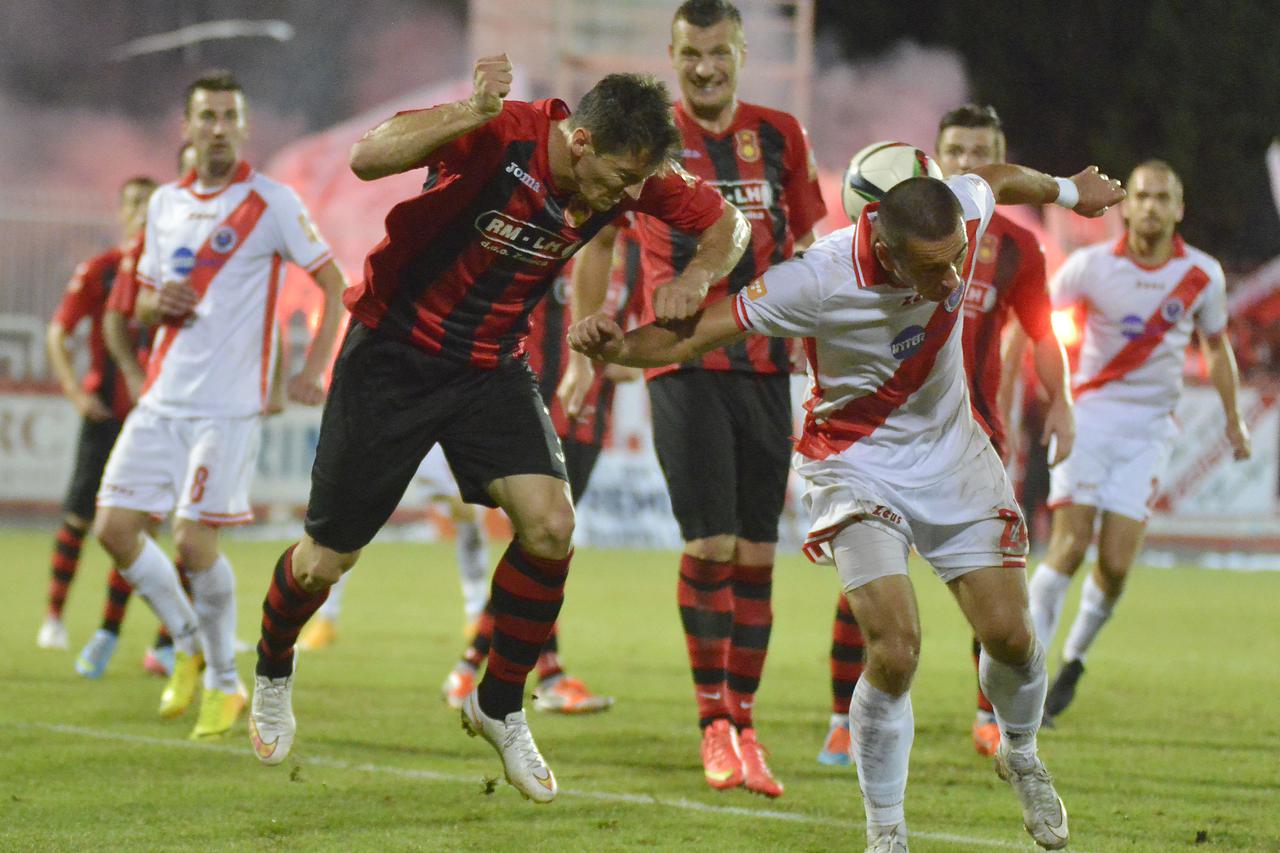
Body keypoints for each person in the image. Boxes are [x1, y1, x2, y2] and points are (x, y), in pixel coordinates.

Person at [571, 162, 1124, 850]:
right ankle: (885, 830)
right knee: (896, 648)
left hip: (952, 454)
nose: (954, 280)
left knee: (1012, 639)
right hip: (853, 463)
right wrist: (616, 346)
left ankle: (1021, 750)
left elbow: (991, 176)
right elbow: (702, 331)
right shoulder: (816, 279)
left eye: (958, 258)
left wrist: (1071, 190)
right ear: (886, 250)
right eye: (934, 267)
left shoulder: (960, 213)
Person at [246, 59, 748, 806]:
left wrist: (700, 275)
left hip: (489, 366)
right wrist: (470, 110)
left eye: (632, 185)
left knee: (551, 524)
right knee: (323, 562)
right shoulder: (501, 135)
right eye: (612, 178)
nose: (619, 198)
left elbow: (730, 224)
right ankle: (273, 663)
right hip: (392, 355)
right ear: (577, 140)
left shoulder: (633, 175)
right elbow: (367, 156)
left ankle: (501, 703)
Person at [561, 0, 825, 798]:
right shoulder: (649, 139)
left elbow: (809, 245)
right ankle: (713, 722)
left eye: (717, 52)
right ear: (671, 55)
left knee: (755, 556)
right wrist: (589, 328)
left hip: (767, 365)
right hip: (680, 364)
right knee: (709, 548)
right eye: (689, 54)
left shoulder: (780, 134)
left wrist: (823, 354)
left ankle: (746, 723)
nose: (704, 67)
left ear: (740, 51)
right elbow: (598, 242)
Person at [93, 70, 346, 740]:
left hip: (227, 408)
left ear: (244, 125)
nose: (218, 127)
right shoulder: (167, 205)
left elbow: (333, 282)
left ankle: (226, 684)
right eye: (206, 116)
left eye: (230, 115)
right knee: (114, 527)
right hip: (161, 397)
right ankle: (189, 640)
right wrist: (158, 302)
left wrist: (312, 368)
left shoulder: (272, 201)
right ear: (187, 128)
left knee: (192, 538)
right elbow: (144, 298)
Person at [818, 104, 1074, 764]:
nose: (966, 160)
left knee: (994, 582)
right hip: (887, 438)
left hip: (974, 429)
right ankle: (841, 716)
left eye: (980, 148)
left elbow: (1044, 332)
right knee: (875, 583)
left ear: (1000, 153)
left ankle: (990, 715)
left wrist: (1062, 403)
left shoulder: (1016, 245)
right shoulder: (878, 245)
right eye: (956, 149)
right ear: (932, 159)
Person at [1029, 160, 1251, 723]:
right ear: (1126, 205)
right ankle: (1024, 673)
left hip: (1151, 431)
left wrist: (1233, 416)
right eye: (1143, 196)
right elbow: (1036, 323)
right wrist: (1051, 397)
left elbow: (1217, 346)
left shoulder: (1203, 274)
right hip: (1090, 418)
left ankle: (1073, 660)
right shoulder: (1089, 266)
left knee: (1117, 565)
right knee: (1069, 546)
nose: (1151, 206)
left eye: (1163, 198)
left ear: (1179, 209)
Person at [439, 231, 643, 715]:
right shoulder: (558, 236)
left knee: (539, 550)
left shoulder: (639, 250)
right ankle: (540, 672)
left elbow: (635, 350)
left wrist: (620, 358)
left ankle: (472, 667)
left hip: (590, 420)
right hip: (531, 410)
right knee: (540, 545)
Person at [77, 143, 203, 680]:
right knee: (124, 523)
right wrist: (132, 371)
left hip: (215, 408)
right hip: (164, 404)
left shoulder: (249, 226)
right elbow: (118, 315)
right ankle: (117, 631)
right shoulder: (161, 235)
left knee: (192, 533)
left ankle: (172, 646)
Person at [36, 177, 157, 653]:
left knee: (138, 528)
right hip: (105, 414)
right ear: (122, 214)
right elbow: (57, 333)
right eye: (134, 203)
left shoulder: (172, 276)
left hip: (150, 422)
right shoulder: (101, 271)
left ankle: (110, 631)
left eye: (150, 202)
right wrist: (73, 389)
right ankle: (54, 617)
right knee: (80, 518)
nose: (142, 211)